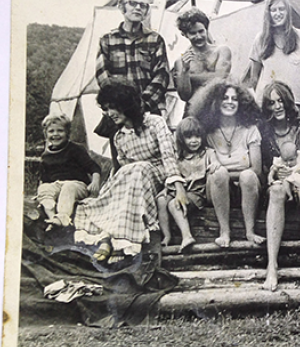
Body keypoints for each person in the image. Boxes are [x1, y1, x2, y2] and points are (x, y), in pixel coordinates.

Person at [74, 81, 186, 263]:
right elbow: (122, 169)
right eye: (106, 109)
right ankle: (111, 238)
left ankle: (120, 239)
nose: (110, 114)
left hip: (158, 175)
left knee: (138, 168)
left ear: (126, 105)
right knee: (125, 176)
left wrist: (178, 187)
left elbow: (168, 155)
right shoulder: (119, 137)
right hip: (136, 184)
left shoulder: (155, 123)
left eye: (114, 108)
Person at [259, 81, 300, 292]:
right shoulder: (264, 131)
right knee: (276, 191)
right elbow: (265, 165)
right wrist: (275, 173)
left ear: (287, 102)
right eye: (271, 103)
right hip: (280, 184)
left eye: (280, 101)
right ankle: (272, 265)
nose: (277, 107)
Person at [94, 0, 171, 163]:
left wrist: (141, 105)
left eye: (143, 5)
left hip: (149, 110)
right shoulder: (107, 40)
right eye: (133, 4)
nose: (138, 8)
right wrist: (121, 106)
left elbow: (161, 75)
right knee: (122, 162)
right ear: (122, 8)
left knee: (156, 160)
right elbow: (102, 76)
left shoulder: (155, 40)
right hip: (119, 112)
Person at [188, 80, 264, 247]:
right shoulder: (207, 132)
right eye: (225, 98)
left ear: (241, 103)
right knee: (218, 174)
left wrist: (228, 174)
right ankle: (224, 231)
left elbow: (257, 170)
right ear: (215, 102)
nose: (230, 102)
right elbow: (206, 169)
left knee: (248, 175)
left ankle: (250, 231)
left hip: (246, 188)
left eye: (234, 99)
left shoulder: (250, 130)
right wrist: (224, 175)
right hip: (217, 189)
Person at [156, 117, 217, 253]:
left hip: (196, 193)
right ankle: (167, 236)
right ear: (182, 139)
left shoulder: (208, 153)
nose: (194, 140)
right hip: (180, 190)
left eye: (197, 136)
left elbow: (215, 163)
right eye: (189, 137)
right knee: (160, 200)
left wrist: (215, 165)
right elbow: (173, 175)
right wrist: (167, 189)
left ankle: (187, 236)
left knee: (173, 204)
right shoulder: (178, 157)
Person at [246, 0, 300, 112]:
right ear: (268, 14)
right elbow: (254, 78)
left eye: (282, 9)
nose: (278, 13)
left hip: (295, 103)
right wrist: (267, 99)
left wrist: (295, 96)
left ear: (288, 11)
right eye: (273, 10)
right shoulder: (260, 39)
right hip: (269, 105)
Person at [36, 114, 101, 229]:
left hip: (77, 185)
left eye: (60, 131)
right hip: (56, 185)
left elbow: (93, 167)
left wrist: (95, 182)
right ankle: (52, 217)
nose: (55, 134)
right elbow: (44, 178)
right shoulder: (46, 156)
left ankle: (63, 217)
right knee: (44, 189)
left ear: (67, 133)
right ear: (46, 134)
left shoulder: (76, 149)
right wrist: (42, 191)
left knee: (68, 187)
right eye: (51, 131)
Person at [172, 8, 232, 110]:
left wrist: (190, 78)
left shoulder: (221, 51)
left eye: (201, 31)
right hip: (194, 111)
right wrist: (185, 70)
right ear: (185, 35)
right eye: (193, 33)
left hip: (219, 110)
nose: (198, 36)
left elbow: (220, 79)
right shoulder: (181, 62)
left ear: (207, 30)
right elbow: (184, 96)